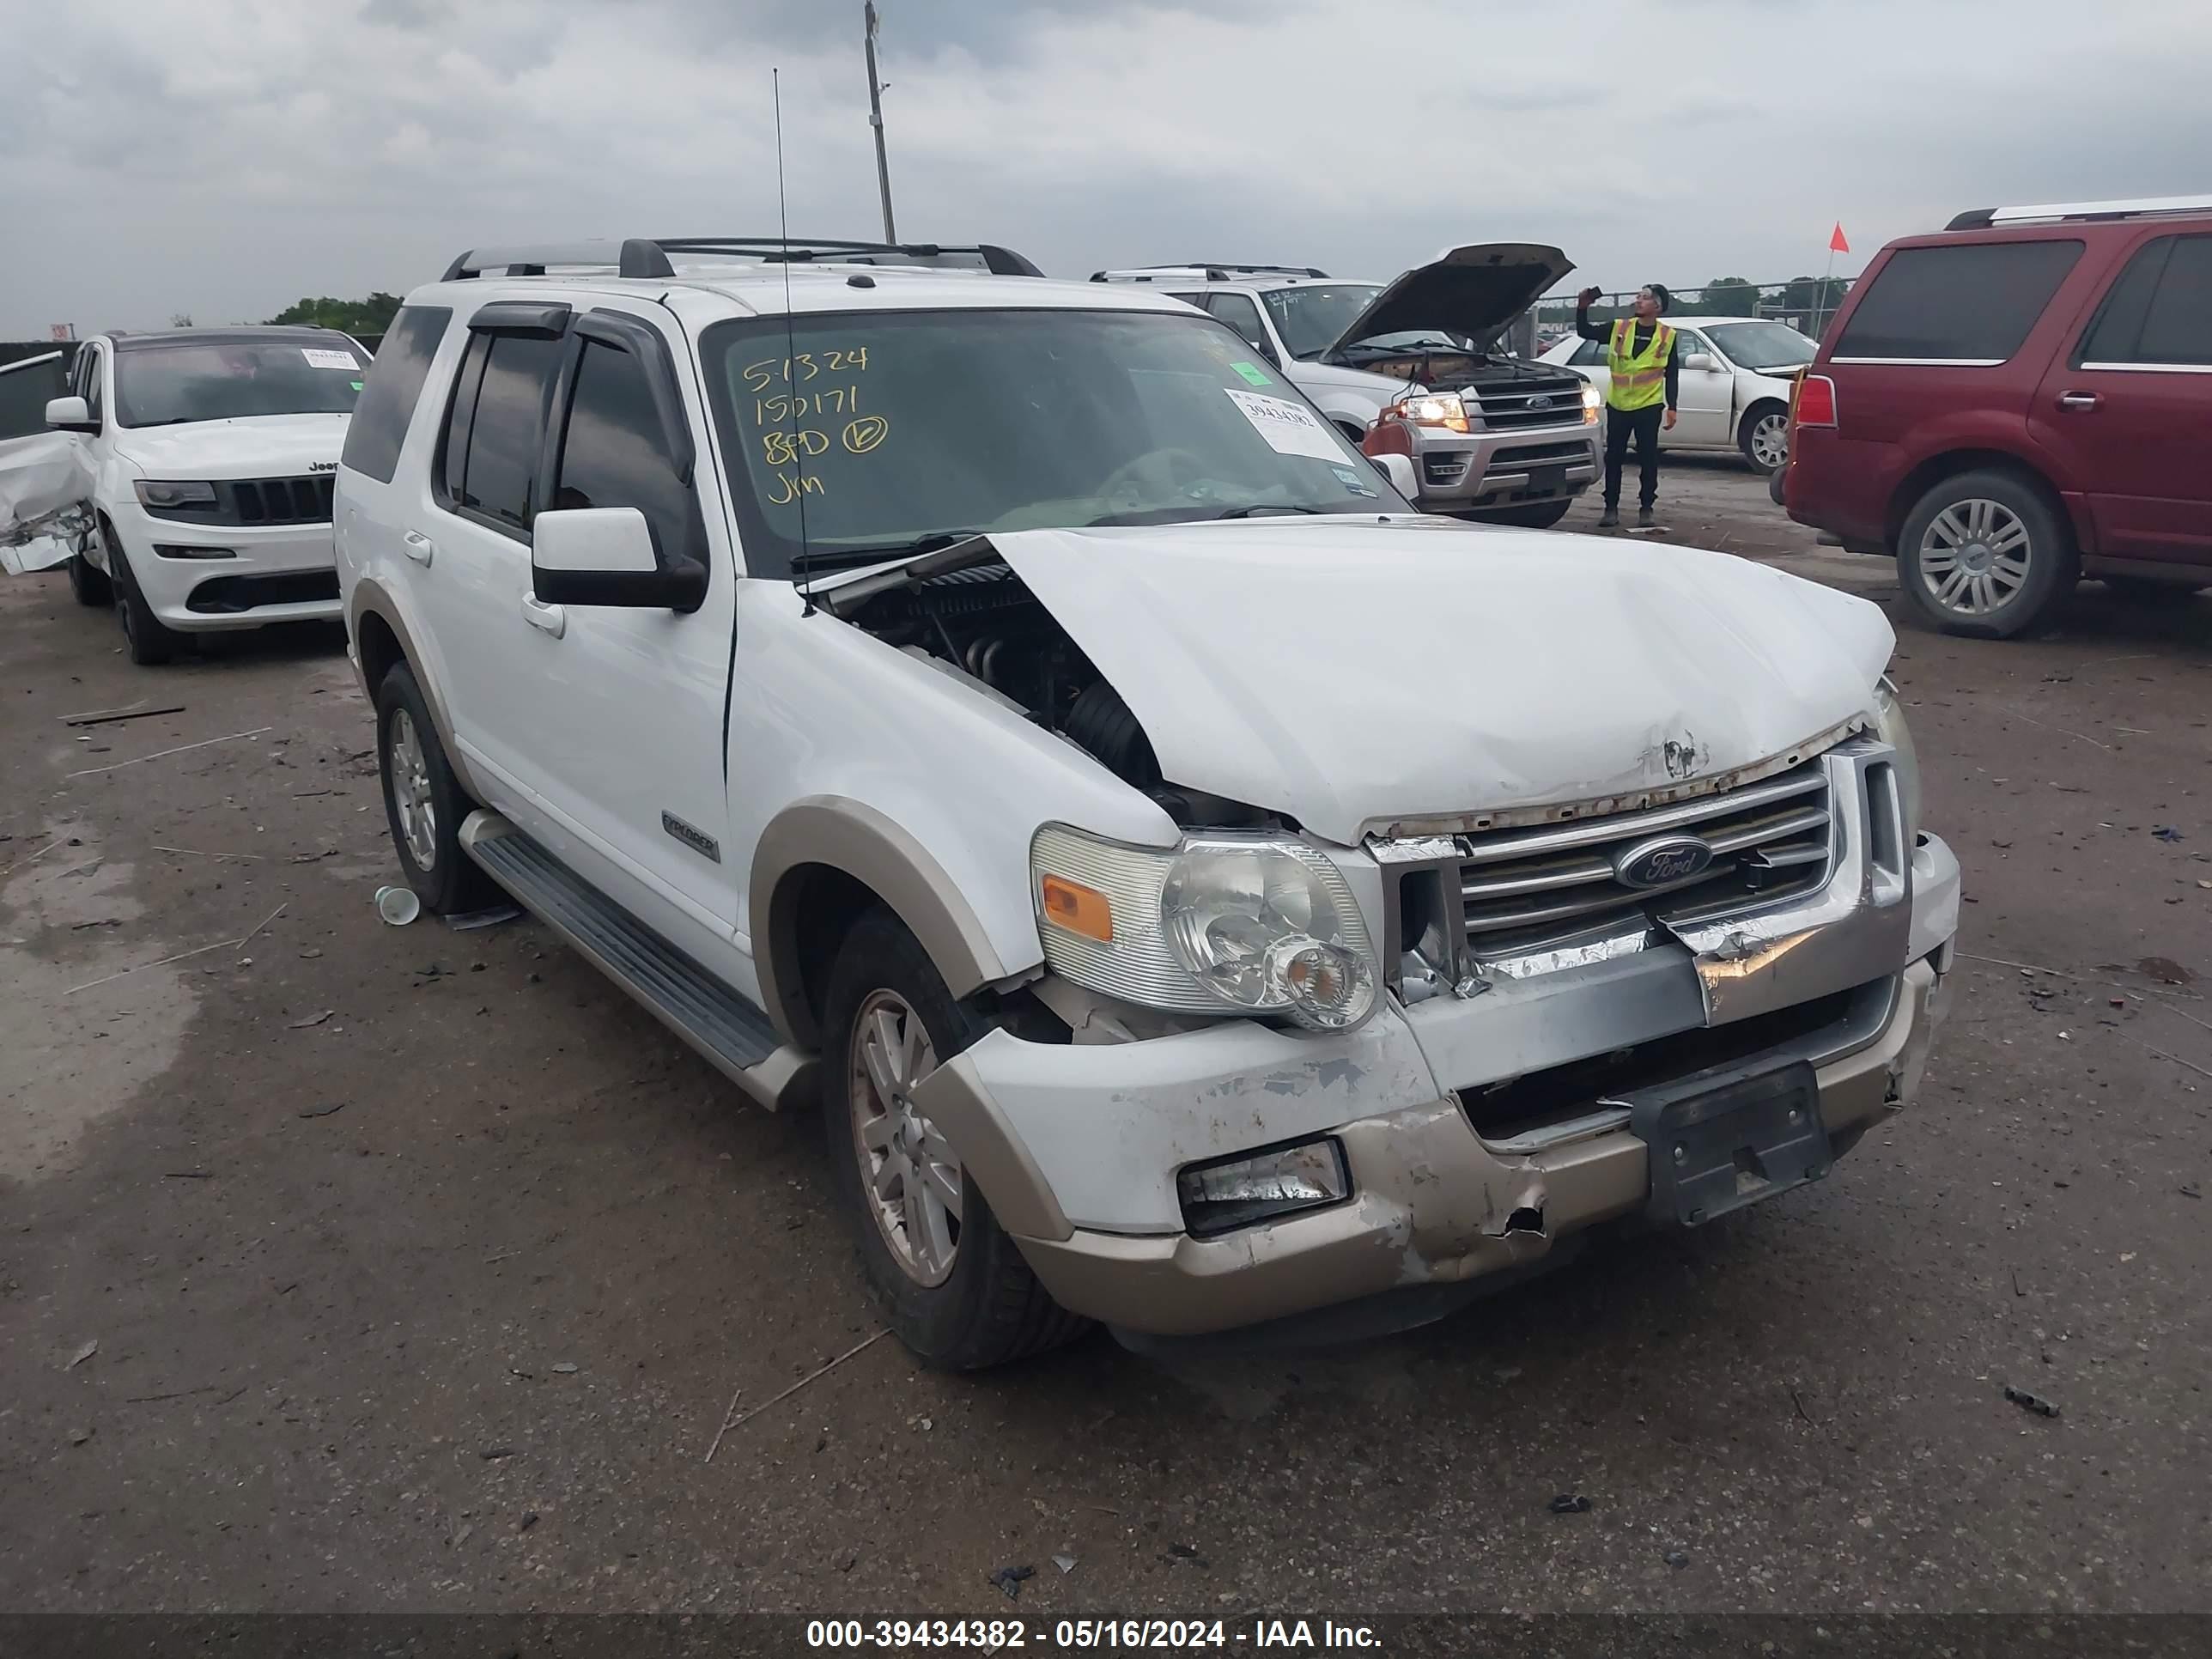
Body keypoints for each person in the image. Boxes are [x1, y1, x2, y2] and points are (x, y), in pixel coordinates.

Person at [1575, 283, 1679, 528]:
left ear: (1658, 306)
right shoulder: (1619, 328)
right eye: (1638, 297)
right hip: (1619, 404)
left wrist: (1672, 407)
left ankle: (1646, 508)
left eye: (1645, 298)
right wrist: (1582, 308)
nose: (1638, 301)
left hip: (1649, 405)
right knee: (1614, 458)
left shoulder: (1668, 336)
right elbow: (1585, 332)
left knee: (1648, 458)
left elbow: (1672, 373)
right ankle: (1610, 508)